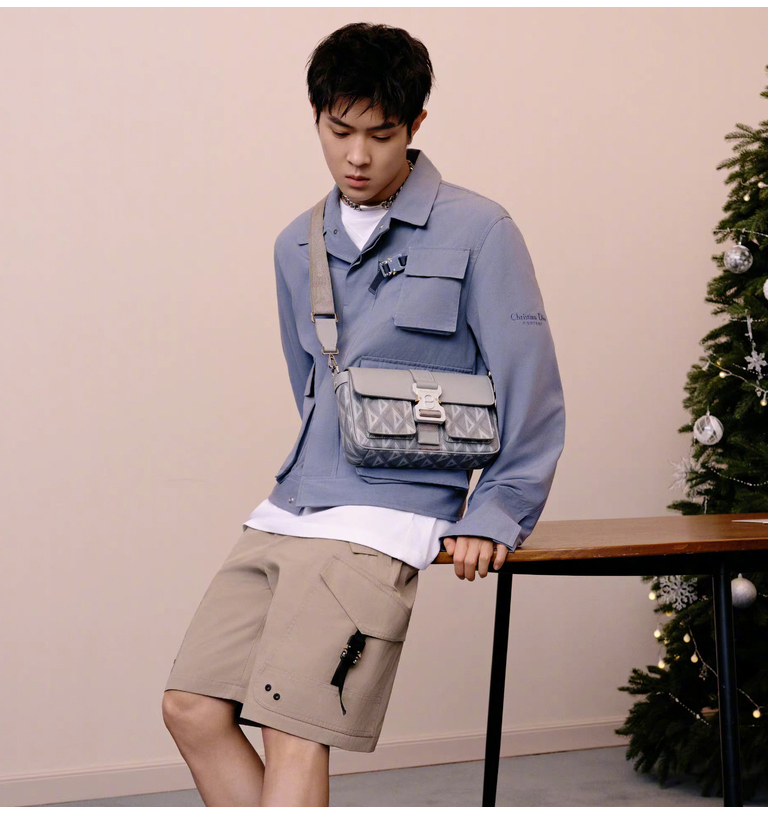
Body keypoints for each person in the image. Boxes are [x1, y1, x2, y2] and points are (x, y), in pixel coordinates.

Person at [162, 22, 565, 807]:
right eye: (338, 130)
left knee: (292, 724)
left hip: (387, 515)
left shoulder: (480, 230)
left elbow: (533, 386)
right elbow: (311, 385)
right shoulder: (296, 243)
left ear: (415, 126)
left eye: (380, 135)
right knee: (191, 706)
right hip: (292, 503)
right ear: (317, 119)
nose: (356, 156)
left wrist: (497, 510)